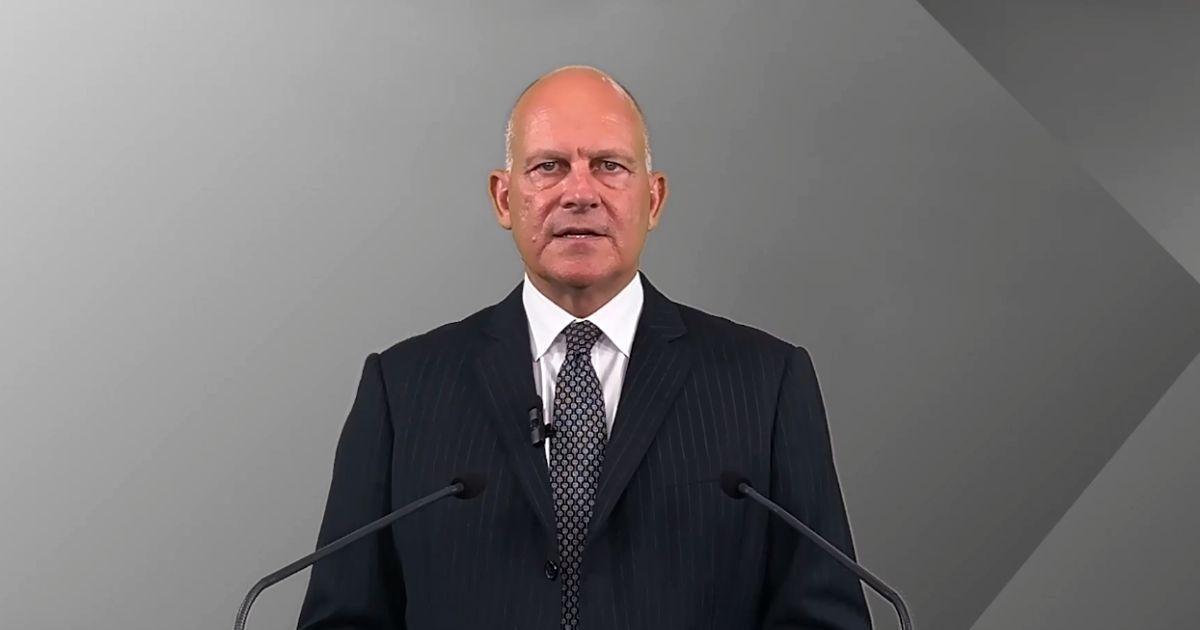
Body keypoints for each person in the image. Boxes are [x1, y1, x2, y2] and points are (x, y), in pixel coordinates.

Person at [297, 65, 872, 630]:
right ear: (503, 198)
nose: (579, 193)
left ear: (654, 198)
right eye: (548, 167)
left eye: (609, 166)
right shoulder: (402, 389)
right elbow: (343, 618)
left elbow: (823, 619)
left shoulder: (765, 383)